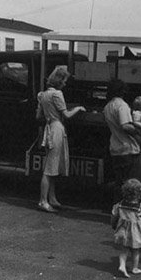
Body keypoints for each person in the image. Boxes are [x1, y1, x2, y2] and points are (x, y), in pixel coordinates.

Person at [36, 64, 84, 213]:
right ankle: (43, 200)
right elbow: (67, 115)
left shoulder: (42, 95)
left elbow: (38, 116)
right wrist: (78, 108)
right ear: (59, 80)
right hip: (57, 128)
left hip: (49, 128)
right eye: (64, 80)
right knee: (50, 167)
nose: (65, 83)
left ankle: (52, 197)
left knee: (53, 165)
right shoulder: (57, 94)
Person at [103, 78, 141, 195]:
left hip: (116, 148)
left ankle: (119, 209)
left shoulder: (107, 107)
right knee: (135, 184)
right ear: (122, 91)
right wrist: (139, 133)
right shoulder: (122, 105)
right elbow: (125, 126)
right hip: (128, 149)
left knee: (120, 183)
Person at [111, 178, 141, 278]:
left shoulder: (120, 205)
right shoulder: (140, 207)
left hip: (122, 231)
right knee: (135, 250)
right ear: (139, 193)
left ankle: (122, 265)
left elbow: (114, 215)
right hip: (135, 233)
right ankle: (135, 268)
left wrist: (113, 225)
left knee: (124, 250)